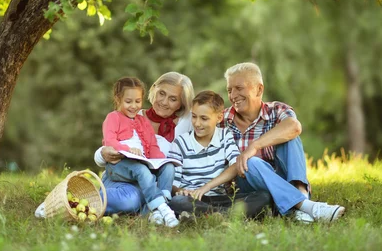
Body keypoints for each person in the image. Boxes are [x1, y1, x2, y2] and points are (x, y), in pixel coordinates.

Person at [221, 62, 345, 222]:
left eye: (239, 88)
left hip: (279, 178)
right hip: (245, 183)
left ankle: (300, 199)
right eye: (229, 90)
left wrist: (255, 145)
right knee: (249, 163)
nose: (233, 95)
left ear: (259, 89)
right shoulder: (221, 120)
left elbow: (294, 126)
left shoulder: (276, 110)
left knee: (291, 138)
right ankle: (308, 207)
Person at [94, 72, 195, 216]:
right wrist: (102, 153)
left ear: (182, 103)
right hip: (121, 178)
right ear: (153, 90)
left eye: (173, 99)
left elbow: (213, 118)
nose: (164, 102)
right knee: (130, 199)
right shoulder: (132, 114)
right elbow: (109, 144)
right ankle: (88, 200)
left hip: (154, 183)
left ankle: (153, 209)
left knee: (137, 198)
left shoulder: (189, 122)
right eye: (162, 93)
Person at [168, 91, 272, 217]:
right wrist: (181, 191)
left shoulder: (225, 135)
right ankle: (225, 216)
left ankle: (212, 215)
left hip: (220, 198)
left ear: (219, 118)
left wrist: (206, 187)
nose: (197, 123)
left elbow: (236, 166)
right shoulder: (180, 142)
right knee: (177, 201)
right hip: (193, 198)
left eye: (204, 118)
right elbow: (173, 183)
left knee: (263, 196)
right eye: (194, 116)